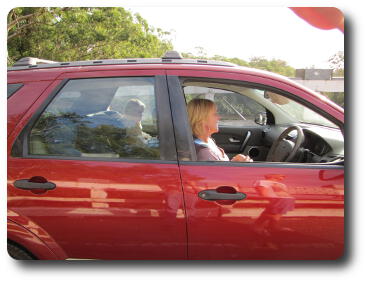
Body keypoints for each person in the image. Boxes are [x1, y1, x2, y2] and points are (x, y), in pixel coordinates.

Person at [187, 98, 253, 162]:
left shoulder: (207, 141)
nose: (219, 118)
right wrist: (240, 166)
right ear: (202, 120)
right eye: (215, 114)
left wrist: (234, 161)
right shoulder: (204, 153)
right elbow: (221, 173)